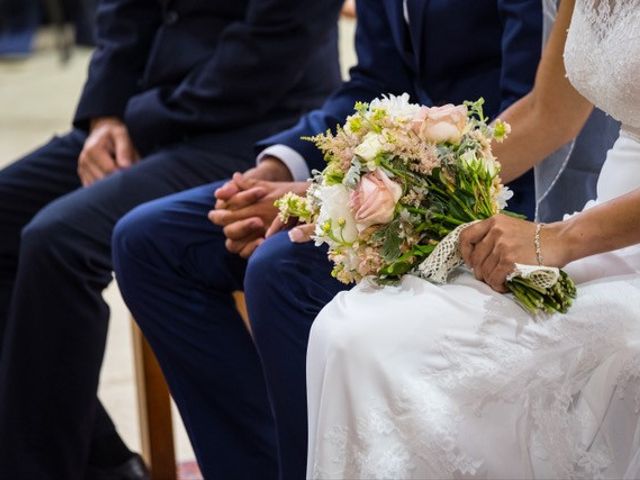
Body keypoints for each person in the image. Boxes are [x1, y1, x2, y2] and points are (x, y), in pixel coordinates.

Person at [112, 1, 543, 478]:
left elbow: (525, 112)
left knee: (282, 270)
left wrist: (327, 193)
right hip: (380, 176)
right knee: (150, 243)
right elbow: (372, 84)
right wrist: (278, 170)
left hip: (490, 195)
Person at [0, 0, 343, 478]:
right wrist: (106, 117)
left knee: (59, 240)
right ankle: (100, 461)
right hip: (146, 112)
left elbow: (275, 42)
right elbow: (123, 11)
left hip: (256, 124)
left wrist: (138, 121)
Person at [304, 0, 640, 477]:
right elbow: (550, 113)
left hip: (602, 235)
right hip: (605, 228)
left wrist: (561, 238)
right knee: (349, 333)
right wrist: (409, 187)